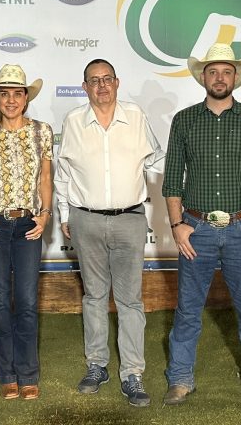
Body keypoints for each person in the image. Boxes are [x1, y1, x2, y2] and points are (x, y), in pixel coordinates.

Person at [161, 42, 241, 412]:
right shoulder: (184, 120)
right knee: (187, 310)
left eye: (226, 71)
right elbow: (171, 181)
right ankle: (180, 380)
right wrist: (177, 224)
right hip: (195, 228)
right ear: (202, 77)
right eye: (212, 71)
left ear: (236, 77)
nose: (219, 77)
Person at [54, 58, 164, 407]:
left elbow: (157, 161)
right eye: (93, 81)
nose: (101, 86)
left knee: (130, 299)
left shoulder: (136, 117)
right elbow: (63, 173)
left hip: (130, 219)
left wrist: (192, 174)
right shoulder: (73, 121)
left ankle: (132, 373)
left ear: (117, 82)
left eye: (106, 79)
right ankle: (97, 365)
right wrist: (63, 213)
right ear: (84, 87)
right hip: (85, 219)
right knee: (94, 296)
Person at [0, 64, 53, 401]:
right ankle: (8, 374)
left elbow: (46, 178)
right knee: (0, 299)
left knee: (27, 300)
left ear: (26, 97)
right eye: (5, 93)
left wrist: (44, 216)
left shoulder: (42, 131)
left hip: (29, 223)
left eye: (18, 93)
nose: (11, 99)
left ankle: (28, 373)